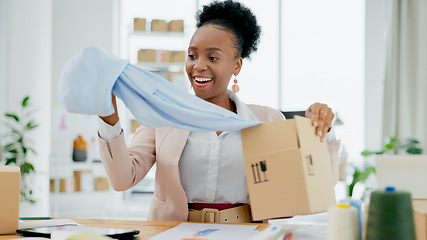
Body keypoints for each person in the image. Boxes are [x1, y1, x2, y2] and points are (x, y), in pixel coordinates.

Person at [98, 0, 340, 222]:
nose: (198, 65)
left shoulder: (267, 120)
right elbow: (122, 179)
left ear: (236, 65)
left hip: (247, 234)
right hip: (174, 233)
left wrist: (322, 131)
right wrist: (107, 114)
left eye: (212, 57)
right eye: (192, 55)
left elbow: (318, 185)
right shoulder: (164, 117)